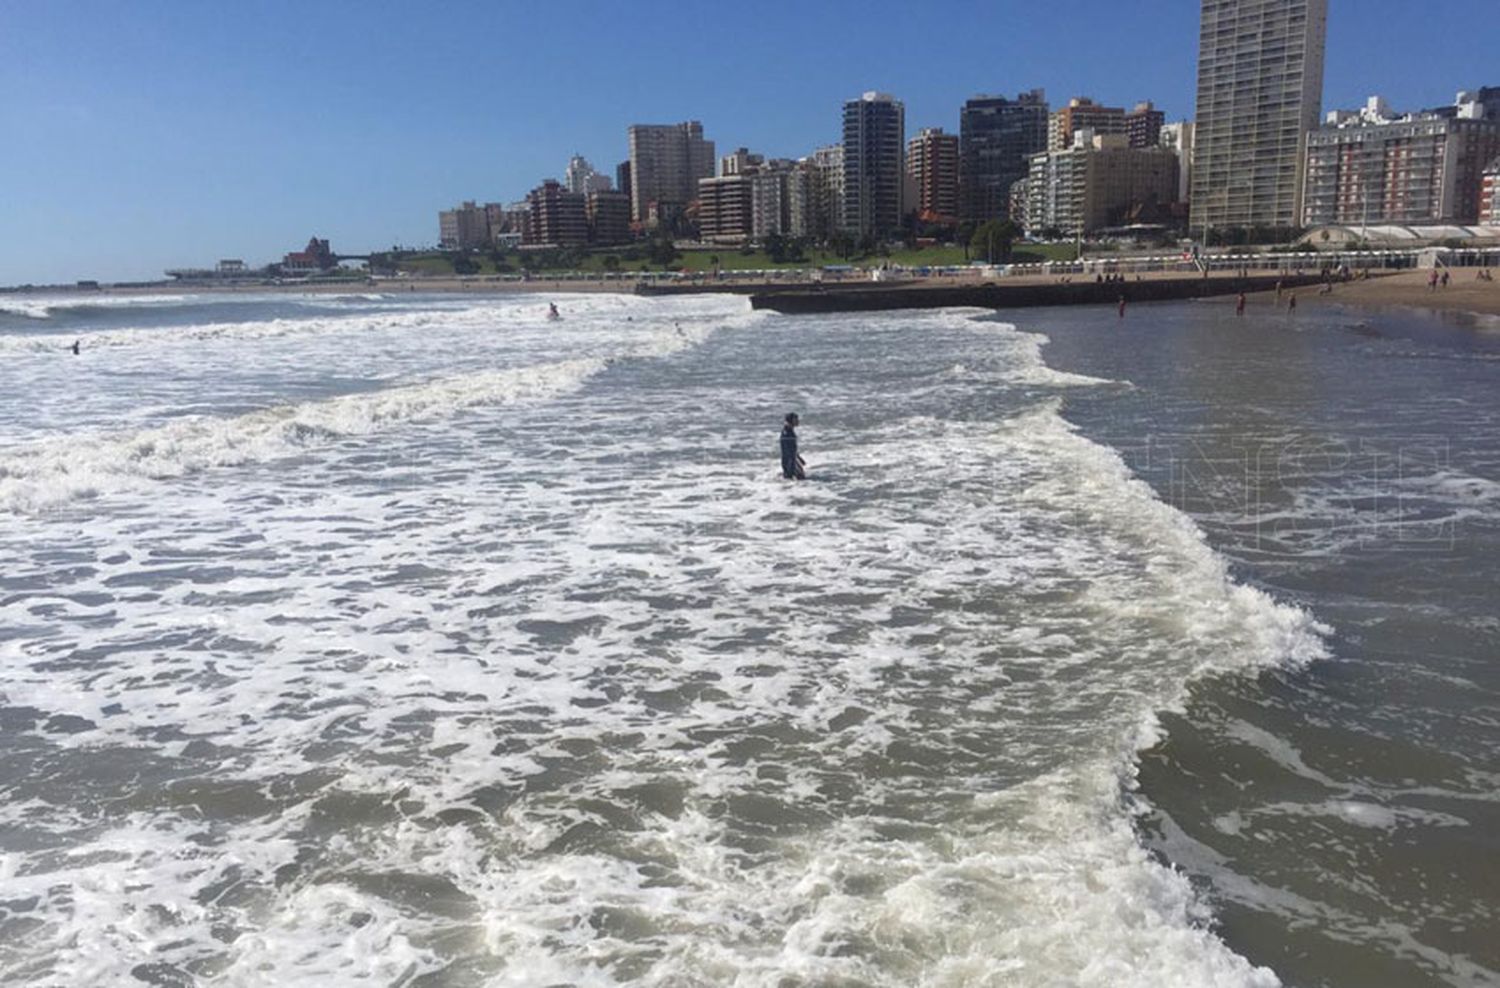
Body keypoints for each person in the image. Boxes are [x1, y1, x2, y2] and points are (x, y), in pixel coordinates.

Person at [780, 412, 806, 480]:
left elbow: (792, 448)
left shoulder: (789, 431)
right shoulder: (787, 433)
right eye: (796, 419)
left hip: (791, 460)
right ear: (791, 420)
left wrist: (799, 458)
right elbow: (788, 450)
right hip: (789, 462)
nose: (798, 421)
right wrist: (794, 463)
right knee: (797, 479)